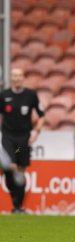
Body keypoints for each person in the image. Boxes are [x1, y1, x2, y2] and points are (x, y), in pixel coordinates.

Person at [0, 68, 45, 213]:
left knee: (20, 171)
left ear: (23, 78)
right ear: (11, 78)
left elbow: (41, 116)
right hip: (8, 138)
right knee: (10, 166)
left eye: (19, 76)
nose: (17, 78)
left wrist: (36, 132)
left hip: (23, 140)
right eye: (14, 75)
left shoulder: (30, 95)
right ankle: (16, 203)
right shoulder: (4, 95)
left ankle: (17, 206)